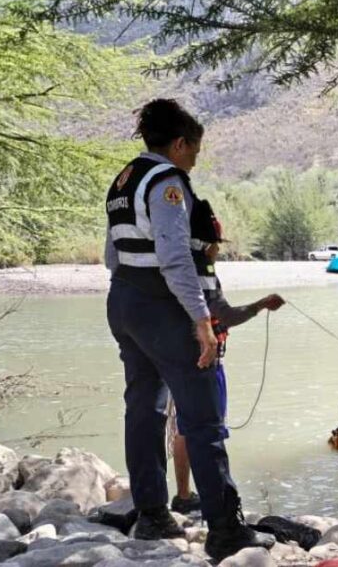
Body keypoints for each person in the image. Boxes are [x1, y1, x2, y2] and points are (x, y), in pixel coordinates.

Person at [104, 98, 275, 561]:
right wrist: (201, 321)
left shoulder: (123, 180)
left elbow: (112, 255)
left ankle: (152, 513)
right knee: (202, 420)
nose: (196, 159)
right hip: (162, 307)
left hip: (124, 301)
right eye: (195, 150)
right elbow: (175, 256)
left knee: (143, 408)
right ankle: (224, 528)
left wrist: (130, 300)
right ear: (179, 144)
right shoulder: (166, 182)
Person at [168, 200, 284, 514]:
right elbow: (226, 316)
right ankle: (217, 503)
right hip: (203, 360)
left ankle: (183, 495)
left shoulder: (173, 265)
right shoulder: (202, 272)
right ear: (208, 246)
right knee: (208, 429)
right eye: (217, 245)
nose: (218, 252)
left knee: (183, 427)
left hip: (175, 358)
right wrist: (262, 304)